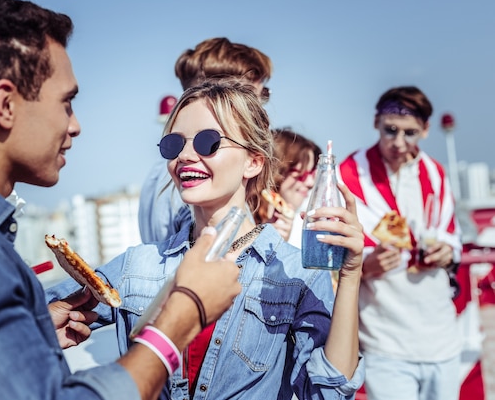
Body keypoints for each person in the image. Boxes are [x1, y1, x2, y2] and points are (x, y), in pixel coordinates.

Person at [0, 0, 242, 399]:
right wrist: (182, 318)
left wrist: (27, 335)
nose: (76, 125)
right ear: (5, 105)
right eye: (66, 103)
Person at [49, 79, 366, 399]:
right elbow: (28, 312)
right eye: (174, 144)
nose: (185, 155)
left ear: (253, 161)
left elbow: (329, 393)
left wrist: (351, 276)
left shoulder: (295, 272)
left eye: (208, 142)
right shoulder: (136, 265)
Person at [338, 86, 463, 400]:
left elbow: (453, 236)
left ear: (426, 129)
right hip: (385, 341)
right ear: (376, 121)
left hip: (442, 337)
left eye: (410, 133)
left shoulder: (435, 172)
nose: (398, 142)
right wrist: (364, 266)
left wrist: (448, 252)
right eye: (390, 130)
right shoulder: (349, 174)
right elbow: (331, 254)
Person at [138, 37, 272, 244]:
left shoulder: (162, 172)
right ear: (216, 92)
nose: (261, 108)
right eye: (251, 97)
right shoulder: (194, 179)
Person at [256, 128, 322, 247]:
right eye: (301, 173)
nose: (310, 183)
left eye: (312, 174)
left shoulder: (305, 228)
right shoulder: (241, 213)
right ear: (277, 169)